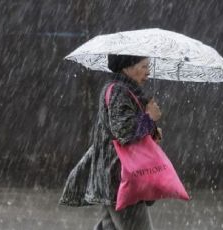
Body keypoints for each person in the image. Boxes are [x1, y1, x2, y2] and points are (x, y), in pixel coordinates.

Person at [60, 54, 162, 230]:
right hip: (121, 179)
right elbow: (124, 132)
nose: (148, 72)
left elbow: (120, 129)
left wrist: (151, 129)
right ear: (127, 68)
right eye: (144, 66)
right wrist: (149, 119)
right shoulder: (118, 92)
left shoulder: (124, 91)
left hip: (113, 178)